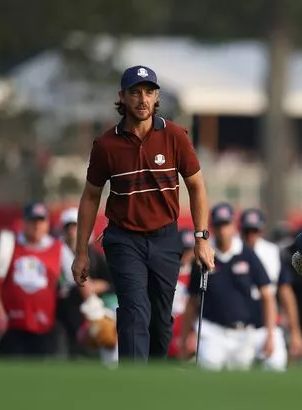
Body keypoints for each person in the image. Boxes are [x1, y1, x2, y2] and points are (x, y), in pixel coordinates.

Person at [71, 65, 215, 363]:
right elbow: (90, 197)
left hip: (165, 239)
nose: (142, 99)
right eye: (135, 92)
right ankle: (132, 388)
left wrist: (201, 238)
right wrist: (81, 252)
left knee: (161, 322)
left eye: (149, 92)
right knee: (135, 311)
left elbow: (197, 187)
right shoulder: (106, 145)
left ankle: (154, 384)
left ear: (157, 96)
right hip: (124, 239)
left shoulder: (175, 135)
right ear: (122, 97)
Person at [0, 202, 93, 358]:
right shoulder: (9, 244)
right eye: (32, 221)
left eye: (41, 221)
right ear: (24, 222)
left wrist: (94, 306)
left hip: (44, 327)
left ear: (47, 223)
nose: (37, 225)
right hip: (11, 327)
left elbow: (79, 275)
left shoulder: (58, 248)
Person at [181, 203, 276, 371]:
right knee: (208, 377)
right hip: (212, 332)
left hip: (243, 333)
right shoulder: (204, 255)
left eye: (226, 224)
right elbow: (193, 300)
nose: (223, 230)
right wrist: (186, 336)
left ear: (233, 226)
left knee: (240, 385)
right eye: (219, 225)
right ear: (213, 227)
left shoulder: (247, 254)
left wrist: (270, 334)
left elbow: (267, 295)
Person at [240, 208, 302, 370]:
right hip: (239, 329)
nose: (251, 235)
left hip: (268, 327)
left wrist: (295, 331)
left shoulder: (272, 252)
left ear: (261, 230)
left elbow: (285, 293)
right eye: (247, 230)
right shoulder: (233, 250)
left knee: (276, 369)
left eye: (255, 230)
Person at [56, 207, 115, 359]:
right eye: (68, 227)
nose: (71, 231)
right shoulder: (56, 252)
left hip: (87, 312)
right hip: (61, 311)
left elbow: (112, 282)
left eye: (75, 226)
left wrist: (94, 286)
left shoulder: (94, 256)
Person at [168, 229, 197, 359]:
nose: (186, 253)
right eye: (183, 249)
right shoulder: (165, 274)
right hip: (169, 328)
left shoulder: (198, 276)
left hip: (189, 330)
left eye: (189, 250)